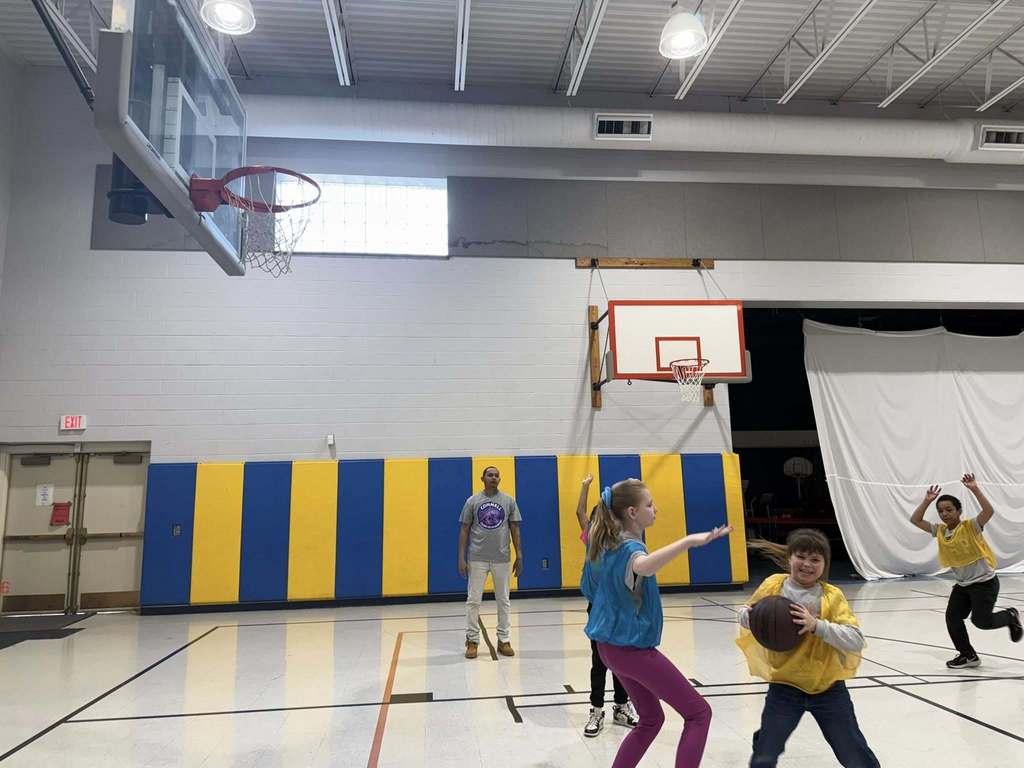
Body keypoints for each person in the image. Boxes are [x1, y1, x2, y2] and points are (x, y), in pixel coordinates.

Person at [583, 478, 731, 767]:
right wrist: (689, 541)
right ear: (632, 512)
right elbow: (642, 566)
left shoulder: (609, 545)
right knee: (699, 713)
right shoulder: (629, 550)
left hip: (609, 648)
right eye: (649, 504)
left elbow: (593, 587)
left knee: (651, 719)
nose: (656, 509)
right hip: (630, 651)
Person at [737, 529, 879, 768]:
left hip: (828, 688)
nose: (807, 564)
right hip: (784, 686)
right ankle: (765, 740)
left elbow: (855, 639)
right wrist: (747, 615)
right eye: (801, 556)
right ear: (789, 558)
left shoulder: (832, 596)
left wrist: (816, 626)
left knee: (852, 752)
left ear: (825, 565)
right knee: (764, 755)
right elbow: (746, 613)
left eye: (815, 559)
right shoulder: (774, 585)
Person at [908, 473, 1022, 668]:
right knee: (952, 617)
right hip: (962, 585)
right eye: (941, 511)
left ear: (958, 511)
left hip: (984, 584)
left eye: (949, 510)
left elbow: (988, 511)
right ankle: (968, 655)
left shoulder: (971, 526)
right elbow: (916, 520)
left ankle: (1009, 616)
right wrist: (927, 501)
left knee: (982, 622)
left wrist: (975, 489)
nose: (944, 514)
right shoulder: (941, 531)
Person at [574, 473, 638, 737]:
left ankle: (621, 707)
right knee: (599, 662)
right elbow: (579, 511)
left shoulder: (623, 542)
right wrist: (585, 485)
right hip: (598, 609)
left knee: (622, 662)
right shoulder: (591, 539)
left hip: (622, 609)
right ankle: (596, 710)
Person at [458, 466, 522, 659]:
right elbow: (464, 530)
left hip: (502, 558)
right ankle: (472, 641)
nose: (494, 478)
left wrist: (519, 555)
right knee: (473, 601)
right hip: (477, 557)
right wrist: (461, 557)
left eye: (496, 475)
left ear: (499, 479)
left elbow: (515, 529)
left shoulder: (509, 501)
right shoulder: (472, 501)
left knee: (504, 601)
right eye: (490, 475)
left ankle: (504, 640)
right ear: (482, 478)